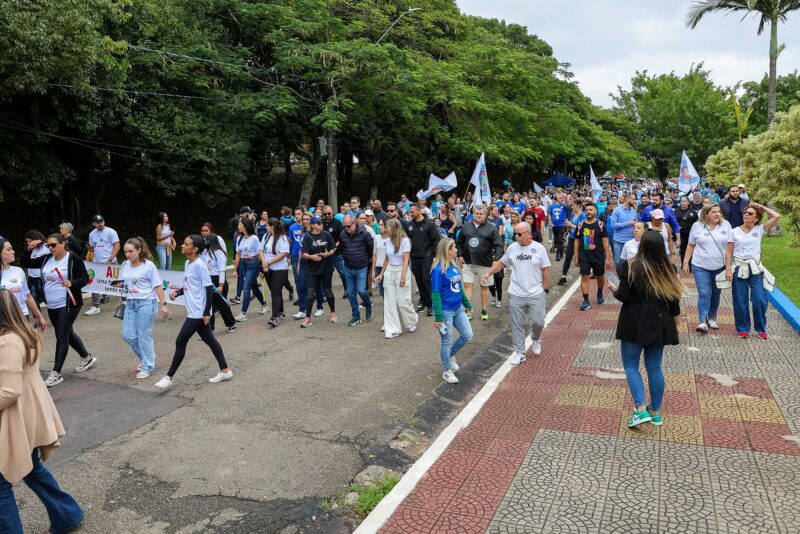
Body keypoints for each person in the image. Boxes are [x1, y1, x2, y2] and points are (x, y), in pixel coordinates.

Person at [0, 290, 84, 534]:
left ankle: (66, 515)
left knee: (2, 480)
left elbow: (8, 391)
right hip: (30, 413)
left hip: (16, 418)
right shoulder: (25, 334)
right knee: (31, 469)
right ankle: (67, 514)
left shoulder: (7, 341)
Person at [607, 231, 683, 428]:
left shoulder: (631, 266)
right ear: (661, 247)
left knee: (631, 365)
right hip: (660, 319)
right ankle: (655, 412)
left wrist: (613, 288)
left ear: (641, 246)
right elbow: (674, 301)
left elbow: (624, 296)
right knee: (654, 367)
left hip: (633, 318)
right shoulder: (669, 269)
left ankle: (640, 409)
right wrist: (677, 321)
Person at [154, 236, 233, 389]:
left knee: (180, 341)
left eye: (186, 244)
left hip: (198, 313)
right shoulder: (187, 263)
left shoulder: (199, 265)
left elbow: (209, 289)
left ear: (195, 249)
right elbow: (190, 285)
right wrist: (178, 293)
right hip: (194, 310)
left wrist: (206, 312)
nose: (182, 245)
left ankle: (169, 377)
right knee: (210, 340)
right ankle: (225, 370)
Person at [20, 234, 96, 388]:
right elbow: (25, 262)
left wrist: (72, 283)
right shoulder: (47, 258)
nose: (50, 248)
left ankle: (56, 373)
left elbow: (85, 278)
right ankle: (87, 357)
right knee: (67, 333)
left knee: (61, 335)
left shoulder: (72, 258)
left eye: (53, 245)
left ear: (63, 243)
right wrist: (29, 249)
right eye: (48, 245)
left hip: (68, 303)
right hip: (52, 304)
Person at [482, 222, 551, 365]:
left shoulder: (539, 249)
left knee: (539, 322)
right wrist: (489, 272)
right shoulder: (513, 248)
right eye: (515, 234)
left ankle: (536, 338)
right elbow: (501, 263)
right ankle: (520, 352)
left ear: (528, 233)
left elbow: (545, 271)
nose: (516, 236)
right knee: (517, 324)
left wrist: (544, 290)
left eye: (519, 234)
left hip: (536, 292)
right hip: (516, 293)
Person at [116, 238, 169, 379]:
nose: (127, 254)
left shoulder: (148, 266)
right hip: (130, 303)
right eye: (125, 251)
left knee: (144, 335)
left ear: (139, 250)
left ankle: (148, 366)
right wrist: (120, 285)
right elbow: (123, 281)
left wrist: (164, 304)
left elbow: (157, 285)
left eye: (131, 251)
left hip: (147, 302)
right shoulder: (125, 265)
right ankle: (147, 357)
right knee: (128, 335)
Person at [728, 203, 781, 339]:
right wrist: (728, 269)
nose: (746, 215)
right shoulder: (734, 232)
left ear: (756, 218)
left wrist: (761, 207)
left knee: (759, 299)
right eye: (745, 213)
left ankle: (761, 328)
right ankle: (742, 328)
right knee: (740, 300)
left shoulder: (759, 229)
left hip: (755, 269)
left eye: (750, 213)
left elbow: (777, 216)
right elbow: (728, 253)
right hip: (739, 268)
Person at [683, 204, 733, 333]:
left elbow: (730, 247)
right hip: (700, 265)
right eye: (713, 212)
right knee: (705, 293)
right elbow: (690, 245)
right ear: (706, 214)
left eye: (718, 211)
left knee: (716, 294)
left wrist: (728, 267)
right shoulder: (697, 226)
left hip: (719, 266)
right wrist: (685, 262)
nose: (717, 214)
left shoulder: (726, 225)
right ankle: (702, 321)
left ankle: (712, 318)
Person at [431, 238, 473, 384]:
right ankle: (446, 371)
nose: (456, 250)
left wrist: (466, 303)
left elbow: (459, 287)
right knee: (446, 340)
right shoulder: (437, 270)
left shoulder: (454, 266)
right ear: (447, 250)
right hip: (445, 312)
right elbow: (435, 294)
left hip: (458, 309)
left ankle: (451, 355)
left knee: (467, 335)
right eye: (454, 247)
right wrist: (438, 317)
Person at [457, 205, 504, 321]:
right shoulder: (465, 226)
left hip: (485, 264)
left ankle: (484, 310)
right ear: (473, 214)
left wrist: (496, 259)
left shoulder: (492, 228)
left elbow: (498, 245)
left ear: (485, 214)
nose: (478, 216)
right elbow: (459, 242)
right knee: (467, 286)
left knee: (484, 287)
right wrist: (460, 254)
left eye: (481, 214)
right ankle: (469, 310)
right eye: (476, 213)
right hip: (468, 263)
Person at [375, 219, 417, 338]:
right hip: (389, 271)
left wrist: (403, 276)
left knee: (403, 301)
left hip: (401, 271)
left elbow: (405, 260)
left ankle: (412, 320)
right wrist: (381, 274)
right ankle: (393, 329)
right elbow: (387, 259)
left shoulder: (405, 241)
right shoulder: (387, 241)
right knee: (389, 301)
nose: (386, 229)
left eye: (388, 227)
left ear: (394, 229)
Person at [0, 238, 47, 331]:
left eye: (12, 249)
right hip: (3, 319)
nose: (13, 252)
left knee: (24, 344)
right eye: (8, 249)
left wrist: (39, 316)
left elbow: (27, 296)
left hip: (22, 316)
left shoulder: (18, 271)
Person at [300, 217, 338, 327]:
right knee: (310, 292)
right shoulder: (307, 237)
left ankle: (333, 313)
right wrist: (311, 257)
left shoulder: (326, 234)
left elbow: (333, 247)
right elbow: (304, 253)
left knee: (327, 290)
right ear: (312, 225)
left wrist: (329, 253)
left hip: (326, 267)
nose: (321, 224)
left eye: (321, 222)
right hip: (312, 268)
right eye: (317, 223)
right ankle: (308, 318)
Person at [574, 203, 612, 311]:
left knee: (600, 277)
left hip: (598, 256)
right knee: (585, 277)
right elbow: (576, 242)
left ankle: (599, 293)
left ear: (595, 211)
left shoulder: (600, 225)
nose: (588, 211)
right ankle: (586, 301)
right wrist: (576, 256)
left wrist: (607, 258)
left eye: (591, 209)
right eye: (587, 210)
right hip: (584, 256)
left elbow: (605, 242)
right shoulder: (580, 225)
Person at [405, 203, 441, 316]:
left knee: (426, 280)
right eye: (410, 212)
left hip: (427, 256)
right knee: (419, 281)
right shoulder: (409, 225)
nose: (410, 214)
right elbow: (407, 240)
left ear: (419, 211)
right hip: (414, 257)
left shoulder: (429, 224)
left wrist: (434, 255)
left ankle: (431, 305)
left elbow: (437, 239)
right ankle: (424, 302)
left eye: (412, 212)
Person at [232, 218, 268, 322]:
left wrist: (262, 268)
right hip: (243, 264)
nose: (238, 226)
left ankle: (243, 313)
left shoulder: (254, 238)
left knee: (246, 287)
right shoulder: (239, 238)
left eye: (240, 224)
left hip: (253, 264)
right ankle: (265, 305)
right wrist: (235, 270)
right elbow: (238, 255)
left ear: (245, 226)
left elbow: (259, 254)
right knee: (254, 287)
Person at [85, 215, 120, 316]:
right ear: (93, 224)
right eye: (97, 222)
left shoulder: (111, 231)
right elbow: (92, 249)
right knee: (94, 283)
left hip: (111, 261)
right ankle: (95, 306)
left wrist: (110, 259)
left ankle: (126, 301)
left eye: (101, 221)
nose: (100, 224)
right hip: (97, 262)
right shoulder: (92, 234)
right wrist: (89, 248)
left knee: (120, 282)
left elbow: (117, 246)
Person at [259, 218, 292, 328]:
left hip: (280, 269)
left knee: (276, 292)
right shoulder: (266, 236)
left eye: (267, 225)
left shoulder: (282, 238)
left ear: (272, 226)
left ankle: (274, 317)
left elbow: (282, 254)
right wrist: (264, 263)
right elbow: (261, 250)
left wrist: (268, 262)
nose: (266, 227)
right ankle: (281, 312)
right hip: (268, 268)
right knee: (275, 291)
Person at [202, 233, 237, 333]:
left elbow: (222, 270)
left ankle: (231, 323)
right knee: (209, 305)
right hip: (208, 280)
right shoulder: (205, 252)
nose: (204, 242)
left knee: (222, 304)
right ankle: (210, 328)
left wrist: (220, 286)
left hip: (217, 280)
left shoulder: (219, 253)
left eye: (205, 240)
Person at [321, 206, 347, 299]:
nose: (327, 215)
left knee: (342, 272)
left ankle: (347, 289)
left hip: (337, 252)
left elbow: (341, 238)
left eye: (329, 213)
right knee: (326, 274)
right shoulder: (321, 223)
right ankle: (326, 293)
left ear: (332, 212)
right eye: (325, 214)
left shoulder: (337, 223)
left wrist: (333, 249)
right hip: (325, 253)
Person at [558, 200, 585, 285]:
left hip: (581, 239)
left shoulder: (583, 215)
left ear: (579, 205)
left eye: (573, 205)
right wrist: (567, 225)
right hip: (572, 238)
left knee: (581, 258)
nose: (572, 207)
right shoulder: (573, 214)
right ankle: (563, 277)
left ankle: (583, 276)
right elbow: (570, 226)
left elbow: (583, 228)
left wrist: (571, 225)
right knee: (568, 257)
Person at [609, 193, 638, 273]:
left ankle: (630, 278)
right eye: (633, 199)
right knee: (618, 261)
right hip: (619, 240)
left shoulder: (634, 211)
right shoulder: (617, 210)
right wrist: (628, 223)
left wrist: (635, 229)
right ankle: (620, 278)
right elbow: (613, 225)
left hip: (631, 240)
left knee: (631, 261)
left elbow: (636, 223)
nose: (634, 201)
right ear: (627, 199)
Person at [23, 230, 48, 306]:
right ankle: (38, 317)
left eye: (30, 241)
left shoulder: (47, 248)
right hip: (32, 278)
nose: (28, 243)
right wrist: (28, 250)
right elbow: (24, 262)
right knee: (33, 301)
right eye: (27, 241)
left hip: (43, 278)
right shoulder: (30, 249)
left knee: (47, 299)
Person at [548, 193, 568, 260]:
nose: (561, 199)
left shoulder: (564, 205)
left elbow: (567, 204)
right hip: (554, 226)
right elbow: (550, 214)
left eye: (562, 198)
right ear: (557, 199)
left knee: (560, 240)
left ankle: (558, 254)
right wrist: (550, 222)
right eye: (560, 198)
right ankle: (561, 252)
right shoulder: (552, 206)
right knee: (556, 240)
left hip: (562, 226)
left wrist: (566, 197)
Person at [372, 219, 388, 297]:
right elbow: (374, 254)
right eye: (379, 224)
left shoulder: (391, 238)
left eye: (382, 225)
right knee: (382, 291)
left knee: (389, 290)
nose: (379, 227)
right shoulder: (376, 238)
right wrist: (373, 271)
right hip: (378, 267)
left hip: (388, 267)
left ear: (387, 227)